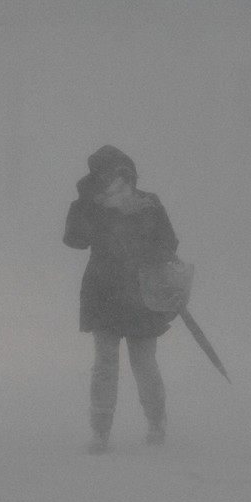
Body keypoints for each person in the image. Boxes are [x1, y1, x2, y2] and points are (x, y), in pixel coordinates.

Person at [63, 145, 179, 453]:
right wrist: (86, 204)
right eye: (104, 173)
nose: (113, 179)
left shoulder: (147, 203)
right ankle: (101, 432)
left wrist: (144, 249)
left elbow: (169, 242)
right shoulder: (91, 204)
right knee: (106, 364)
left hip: (140, 292)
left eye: (117, 172)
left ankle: (156, 423)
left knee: (143, 363)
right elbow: (74, 240)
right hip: (104, 291)